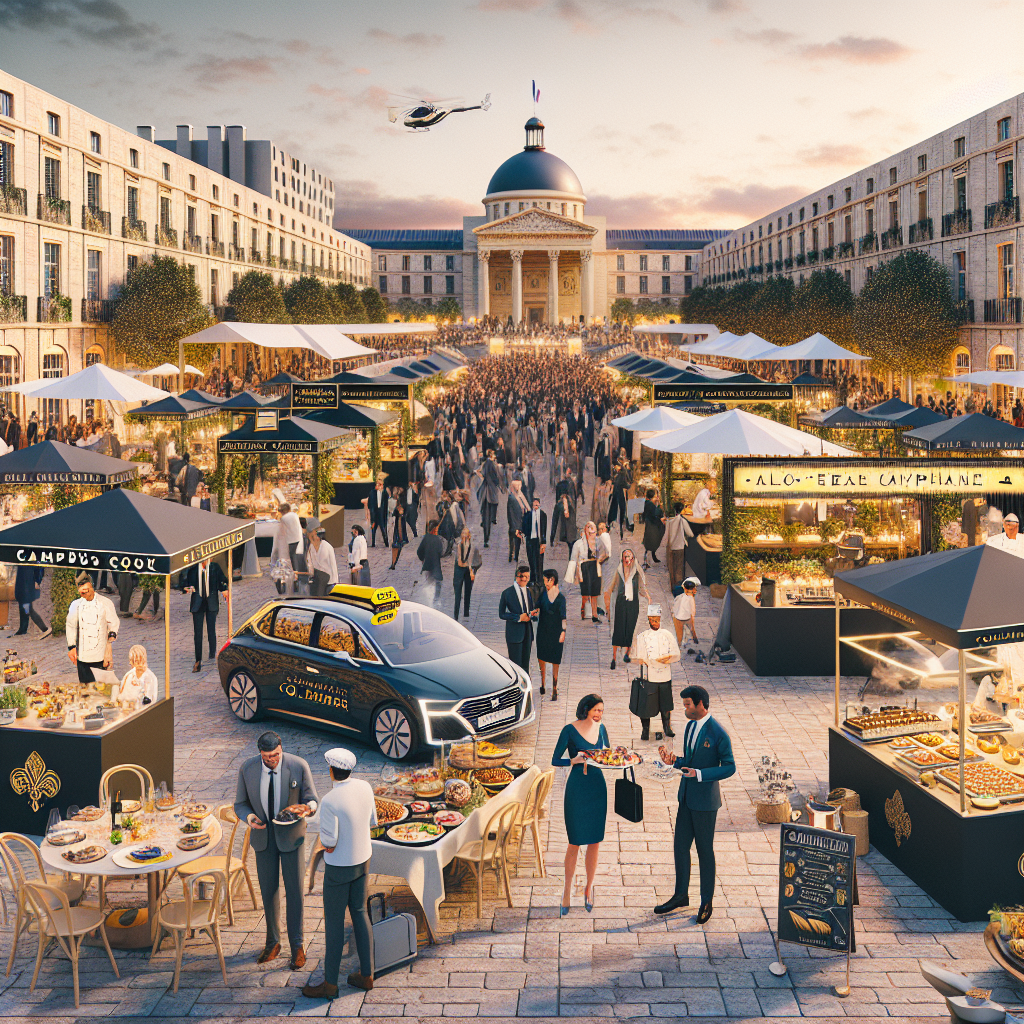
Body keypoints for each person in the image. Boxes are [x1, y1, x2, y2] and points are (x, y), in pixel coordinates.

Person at [234, 731, 318, 970]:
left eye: (276, 755)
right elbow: (240, 804)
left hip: (291, 838)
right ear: (260, 753)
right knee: (268, 892)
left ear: (282, 749)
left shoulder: (298, 766)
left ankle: (297, 946)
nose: (272, 759)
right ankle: (273, 943)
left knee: (295, 893)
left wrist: (306, 808)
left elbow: (313, 799)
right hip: (263, 838)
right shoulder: (247, 769)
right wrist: (249, 817)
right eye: (267, 756)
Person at [655, 685, 736, 924]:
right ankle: (680, 895)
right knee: (680, 846)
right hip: (686, 797)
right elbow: (689, 761)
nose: (685, 709)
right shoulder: (690, 727)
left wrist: (700, 774)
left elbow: (729, 767)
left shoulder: (718, 732)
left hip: (705, 803)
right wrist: (675, 761)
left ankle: (706, 902)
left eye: (688, 704)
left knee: (704, 851)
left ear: (701, 704)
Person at [302, 748, 375, 997]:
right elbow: (372, 821)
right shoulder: (365, 787)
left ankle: (330, 984)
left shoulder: (331, 800)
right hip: (363, 861)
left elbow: (329, 841)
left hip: (339, 868)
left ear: (331, 770)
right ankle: (367, 975)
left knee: (334, 926)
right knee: (360, 913)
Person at [551, 694, 609, 915]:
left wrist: (608, 757)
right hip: (577, 788)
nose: (598, 714)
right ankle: (566, 890)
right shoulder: (569, 730)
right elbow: (555, 759)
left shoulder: (602, 729)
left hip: (597, 787)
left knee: (594, 841)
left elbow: (607, 754)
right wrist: (572, 760)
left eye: (601, 711)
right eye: (595, 710)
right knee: (574, 841)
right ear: (585, 709)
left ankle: (589, 888)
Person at [633, 604, 680, 740]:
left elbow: (676, 653)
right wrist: (643, 660)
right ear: (648, 620)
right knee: (646, 704)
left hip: (665, 674)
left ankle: (667, 727)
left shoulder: (667, 635)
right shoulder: (642, 636)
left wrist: (668, 658)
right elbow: (639, 656)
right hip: (650, 675)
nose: (655, 623)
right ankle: (645, 730)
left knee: (666, 704)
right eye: (653, 620)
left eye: (657, 620)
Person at [66, 571, 119, 684]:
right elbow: (70, 626)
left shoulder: (105, 603)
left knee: (100, 691)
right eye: (82, 592)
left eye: (86, 591)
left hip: (100, 657)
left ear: (91, 587)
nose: (84, 594)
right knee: (85, 690)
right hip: (83, 658)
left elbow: (113, 624)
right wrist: (71, 647)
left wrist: (108, 648)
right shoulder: (75, 605)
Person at [180, 556, 229, 673]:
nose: (208, 561)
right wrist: (186, 588)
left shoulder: (214, 568)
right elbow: (183, 583)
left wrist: (224, 589)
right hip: (198, 604)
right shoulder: (192, 570)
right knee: (198, 632)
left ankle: (212, 653)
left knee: (211, 629)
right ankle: (198, 660)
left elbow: (222, 581)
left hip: (211, 603)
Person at [605, 549, 648, 670]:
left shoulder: (637, 572)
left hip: (633, 604)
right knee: (618, 630)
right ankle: (613, 658)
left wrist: (648, 597)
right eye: (625, 556)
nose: (627, 559)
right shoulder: (618, 572)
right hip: (620, 604)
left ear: (633, 558)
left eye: (629, 556)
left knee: (630, 628)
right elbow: (610, 588)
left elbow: (641, 587)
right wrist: (607, 608)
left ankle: (627, 653)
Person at [499, 564, 537, 675]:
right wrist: (518, 618)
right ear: (516, 577)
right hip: (514, 634)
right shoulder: (507, 593)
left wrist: (533, 614)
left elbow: (532, 608)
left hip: (528, 633)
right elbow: (501, 614)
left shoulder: (530, 591)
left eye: (527, 577)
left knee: (525, 666)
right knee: (515, 667)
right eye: (521, 576)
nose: (524, 579)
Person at [536, 569, 567, 700]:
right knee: (541, 657)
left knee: (555, 659)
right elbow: (537, 607)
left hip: (555, 632)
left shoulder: (561, 598)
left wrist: (563, 632)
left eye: (545, 580)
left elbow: (563, 617)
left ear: (551, 580)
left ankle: (554, 687)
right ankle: (543, 683)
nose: (544, 583)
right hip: (543, 630)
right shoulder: (543, 595)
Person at [568, 520, 602, 622]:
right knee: (586, 594)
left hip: (595, 567)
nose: (592, 533)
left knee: (594, 593)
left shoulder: (598, 542)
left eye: (593, 531)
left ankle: (594, 615)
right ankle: (583, 608)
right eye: (589, 530)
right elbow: (574, 559)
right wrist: (575, 575)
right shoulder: (578, 544)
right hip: (584, 568)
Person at [476, 449, 504, 548]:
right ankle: (486, 538)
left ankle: (486, 537)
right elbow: (496, 478)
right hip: (490, 492)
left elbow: (481, 473)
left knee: (485, 514)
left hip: (484, 492)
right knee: (490, 512)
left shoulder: (485, 464)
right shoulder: (492, 464)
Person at [14, 565, 50, 637]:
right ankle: (23, 629)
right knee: (23, 606)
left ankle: (44, 628)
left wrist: (37, 580)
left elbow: (39, 568)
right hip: (23, 584)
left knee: (28, 608)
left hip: (27, 584)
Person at [452, 526, 480, 620]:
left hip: (468, 571)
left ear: (469, 535)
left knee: (468, 591)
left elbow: (477, 560)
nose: (464, 535)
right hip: (459, 570)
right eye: (462, 533)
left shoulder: (473, 547)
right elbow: (457, 558)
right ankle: (456, 615)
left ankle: (466, 613)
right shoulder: (458, 545)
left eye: (465, 533)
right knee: (458, 593)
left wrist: (473, 571)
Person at [416, 519, 445, 605]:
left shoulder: (426, 538)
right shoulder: (438, 540)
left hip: (427, 564)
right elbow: (441, 552)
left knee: (429, 581)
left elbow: (419, 551)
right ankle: (435, 599)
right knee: (438, 581)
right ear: (435, 529)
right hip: (436, 565)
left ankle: (428, 599)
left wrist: (422, 559)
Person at [666, 503, 694, 589]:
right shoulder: (682, 521)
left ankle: (672, 585)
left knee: (672, 567)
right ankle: (678, 586)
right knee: (679, 567)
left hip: (671, 547)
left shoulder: (669, 521)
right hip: (680, 547)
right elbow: (690, 533)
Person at [305, 523, 338, 597]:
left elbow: (333, 566)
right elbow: (309, 563)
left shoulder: (328, 547)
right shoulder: (311, 547)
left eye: (314, 537)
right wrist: (310, 574)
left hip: (328, 579)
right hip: (317, 578)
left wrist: (335, 583)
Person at [519, 496, 547, 585]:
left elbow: (544, 530)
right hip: (530, 540)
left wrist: (544, 542)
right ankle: (533, 578)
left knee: (539, 560)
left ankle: (539, 579)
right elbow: (524, 527)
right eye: (535, 505)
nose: (536, 507)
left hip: (539, 541)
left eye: (537, 505)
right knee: (531, 559)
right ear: (532, 506)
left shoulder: (543, 515)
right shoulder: (527, 515)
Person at [277, 504, 304, 594]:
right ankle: (297, 578)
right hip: (299, 539)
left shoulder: (284, 519)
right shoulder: (294, 515)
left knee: (292, 561)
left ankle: (295, 579)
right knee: (297, 559)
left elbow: (281, 531)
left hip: (291, 541)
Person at [641, 488, 667, 569]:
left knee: (650, 543)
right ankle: (647, 561)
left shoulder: (648, 503)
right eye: (655, 495)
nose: (657, 496)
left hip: (650, 525)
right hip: (652, 526)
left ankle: (651, 558)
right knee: (652, 542)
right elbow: (656, 514)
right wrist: (661, 520)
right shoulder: (650, 505)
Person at [507, 478, 530, 564]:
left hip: (520, 522)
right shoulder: (512, 497)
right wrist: (513, 525)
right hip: (514, 523)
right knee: (513, 539)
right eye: (516, 486)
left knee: (517, 540)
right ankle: (511, 555)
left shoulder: (521, 495)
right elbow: (510, 512)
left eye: (519, 486)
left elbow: (526, 507)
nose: (518, 487)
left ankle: (515, 555)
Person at [672, 577, 699, 645]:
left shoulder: (680, 596)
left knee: (679, 635)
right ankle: (695, 639)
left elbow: (674, 607)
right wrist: (692, 621)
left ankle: (679, 645)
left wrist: (673, 615)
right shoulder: (691, 599)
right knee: (692, 630)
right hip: (687, 618)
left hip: (678, 618)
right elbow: (692, 612)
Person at [367, 474, 389, 548]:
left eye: (381, 484)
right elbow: (370, 503)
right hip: (375, 512)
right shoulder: (372, 493)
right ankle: (373, 543)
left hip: (381, 512)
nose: (379, 486)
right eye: (378, 484)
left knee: (383, 528)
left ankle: (386, 543)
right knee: (374, 528)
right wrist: (371, 512)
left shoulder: (384, 493)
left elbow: (386, 504)